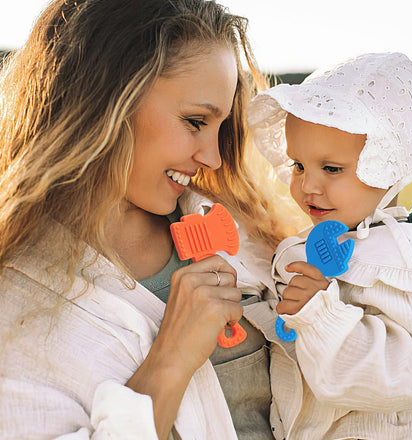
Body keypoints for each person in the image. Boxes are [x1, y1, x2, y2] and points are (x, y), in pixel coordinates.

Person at [0, 0, 305, 439]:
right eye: (195, 121)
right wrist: (171, 358)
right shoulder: (16, 305)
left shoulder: (242, 232)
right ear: (104, 99)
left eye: (220, 127)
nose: (213, 158)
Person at [248, 52, 412, 439]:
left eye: (332, 169)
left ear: (387, 165)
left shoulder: (398, 262)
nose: (307, 185)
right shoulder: (316, 242)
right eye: (299, 165)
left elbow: (395, 377)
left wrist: (320, 316)